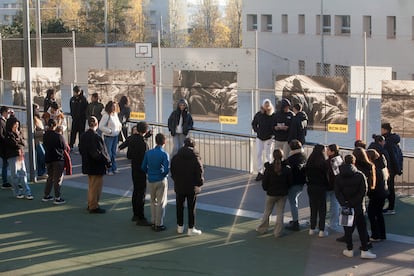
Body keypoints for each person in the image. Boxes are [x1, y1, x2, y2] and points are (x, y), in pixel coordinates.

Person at [335, 154, 376, 259]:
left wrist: (344, 203)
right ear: (354, 162)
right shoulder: (359, 175)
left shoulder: (339, 176)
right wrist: (354, 202)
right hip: (358, 206)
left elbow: (337, 192)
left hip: (345, 206)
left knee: (347, 228)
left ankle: (349, 249)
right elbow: (363, 191)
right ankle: (365, 250)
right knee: (362, 228)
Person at [119, 121, 152, 226]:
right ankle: (141, 217)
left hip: (134, 167)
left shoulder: (132, 139)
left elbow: (129, 143)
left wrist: (145, 136)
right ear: (145, 130)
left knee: (136, 191)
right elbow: (145, 157)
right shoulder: (143, 144)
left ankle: (135, 214)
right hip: (141, 169)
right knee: (141, 193)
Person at [171, 138, 204, 236]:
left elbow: (172, 170)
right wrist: (199, 183)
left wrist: (176, 180)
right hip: (192, 187)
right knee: (191, 208)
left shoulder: (176, 157)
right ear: (193, 146)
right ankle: (191, 228)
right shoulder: (195, 158)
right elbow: (200, 172)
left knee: (179, 206)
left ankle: (180, 227)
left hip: (179, 185)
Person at [256, 149, 292, 238]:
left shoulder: (268, 169)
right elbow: (290, 182)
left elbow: (265, 183)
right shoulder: (287, 169)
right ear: (282, 156)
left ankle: (262, 228)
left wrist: (267, 189)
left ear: (273, 156)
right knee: (280, 213)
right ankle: (278, 232)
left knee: (267, 211)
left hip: (271, 194)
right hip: (282, 194)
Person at [79, 116, 111, 214]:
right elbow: (100, 152)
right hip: (96, 165)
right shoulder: (96, 137)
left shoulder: (83, 136)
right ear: (96, 124)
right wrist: (108, 162)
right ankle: (94, 205)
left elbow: (81, 149)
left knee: (91, 186)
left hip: (87, 163)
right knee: (96, 186)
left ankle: (91, 203)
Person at [141, 133, 170, 232]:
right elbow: (166, 169)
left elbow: (143, 167)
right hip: (160, 180)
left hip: (151, 179)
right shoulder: (164, 154)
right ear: (164, 142)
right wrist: (162, 175)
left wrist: (149, 173)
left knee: (152, 201)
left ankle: (153, 221)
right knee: (161, 203)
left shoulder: (148, 153)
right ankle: (159, 223)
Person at [4, 117, 33, 200]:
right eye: (15, 125)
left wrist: (18, 140)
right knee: (14, 175)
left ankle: (27, 192)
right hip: (12, 156)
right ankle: (17, 192)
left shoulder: (19, 132)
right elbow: (13, 144)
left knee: (23, 173)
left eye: (17, 125)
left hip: (20, 155)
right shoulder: (8, 135)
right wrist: (18, 140)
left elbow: (23, 142)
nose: (16, 126)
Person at [306, 144, 329, 237]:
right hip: (321, 188)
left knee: (313, 208)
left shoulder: (309, 162)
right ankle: (321, 230)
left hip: (311, 187)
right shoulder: (323, 163)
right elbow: (326, 177)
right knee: (322, 209)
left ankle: (312, 228)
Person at [42, 119, 66, 204]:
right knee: (58, 178)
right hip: (58, 158)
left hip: (49, 158)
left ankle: (46, 195)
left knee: (50, 177)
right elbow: (64, 146)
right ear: (55, 125)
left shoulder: (45, 135)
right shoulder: (58, 136)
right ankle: (57, 197)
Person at [285, 139, 307, 231]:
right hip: (301, 182)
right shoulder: (303, 156)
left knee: (293, 202)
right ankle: (295, 220)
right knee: (295, 201)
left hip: (293, 183)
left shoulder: (291, 159)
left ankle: (295, 222)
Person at [366, 149, 388, 242]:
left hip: (376, 194)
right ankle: (382, 234)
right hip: (382, 192)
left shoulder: (374, 168)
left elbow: (373, 183)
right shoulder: (382, 167)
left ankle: (376, 235)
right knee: (378, 214)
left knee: (371, 214)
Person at [381, 123, 403, 215]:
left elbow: (392, 156)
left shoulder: (388, 142)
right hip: (392, 169)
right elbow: (398, 156)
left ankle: (390, 208)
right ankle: (390, 207)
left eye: (382, 129)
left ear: (385, 130)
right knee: (390, 187)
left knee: (389, 188)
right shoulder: (394, 141)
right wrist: (398, 169)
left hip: (389, 169)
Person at [251, 99, 276, 181]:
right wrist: (257, 130)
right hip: (259, 138)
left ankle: (269, 172)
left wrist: (272, 134)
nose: (267, 107)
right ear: (263, 105)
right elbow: (254, 123)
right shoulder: (258, 114)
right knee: (258, 154)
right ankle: (260, 172)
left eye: (268, 105)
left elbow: (275, 125)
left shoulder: (273, 115)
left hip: (269, 138)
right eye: (265, 105)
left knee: (268, 155)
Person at [99, 101, 122, 175]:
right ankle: (109, 168)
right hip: (109, 136)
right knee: (109, 153)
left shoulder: (115, 114)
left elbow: (118, 123)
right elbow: (101, 126)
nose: (114, 108)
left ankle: (114, 167)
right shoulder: (106, 115)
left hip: (115, 135)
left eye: (115, 106)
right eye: (113, 106)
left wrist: (119, 128)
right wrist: (109, 131)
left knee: (113, 153)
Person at [326, 144, 343, 234]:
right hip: (337, 186)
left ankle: (332, 224)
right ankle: (334, 223)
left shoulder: (331, 161)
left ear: (332, 151)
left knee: (332, 206)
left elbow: (333, 175)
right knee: (335, 205)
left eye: (328, 150)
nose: (326, 151)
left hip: (330, 186)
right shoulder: (339, 159)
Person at [69, 86, 88, 150]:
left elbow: (86, 109)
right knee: (73, 132)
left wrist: (83, 116)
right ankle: (71, 145)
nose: (76, 93)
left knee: (81, 133)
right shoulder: (72, 99)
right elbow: (71, 108)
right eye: (75, 92)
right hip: (74, 119)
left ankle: (81, 146)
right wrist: (73, 115)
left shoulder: (83, 99)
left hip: (81, 119)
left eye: (77, 92)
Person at [33, 104, 47, 179]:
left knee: (42, 157)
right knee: (41, 156)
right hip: (37, 141)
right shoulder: (32, 120)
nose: (38, 110)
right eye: (37, 109)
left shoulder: (39, 119)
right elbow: (33, 133)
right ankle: (40, 173)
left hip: (42, 141)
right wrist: (43, 131)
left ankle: (42, 172)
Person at [0, 106, 12, 189]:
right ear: (3, 112)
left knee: (6, 163)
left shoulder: (4, 121)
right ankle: (4, 182)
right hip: (3, 146)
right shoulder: (1, 122)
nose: (8, 114)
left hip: (4, 146)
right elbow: (1, 135)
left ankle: (5, 181)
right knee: (5, 164)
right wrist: (7, 141)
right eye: (8, 112)